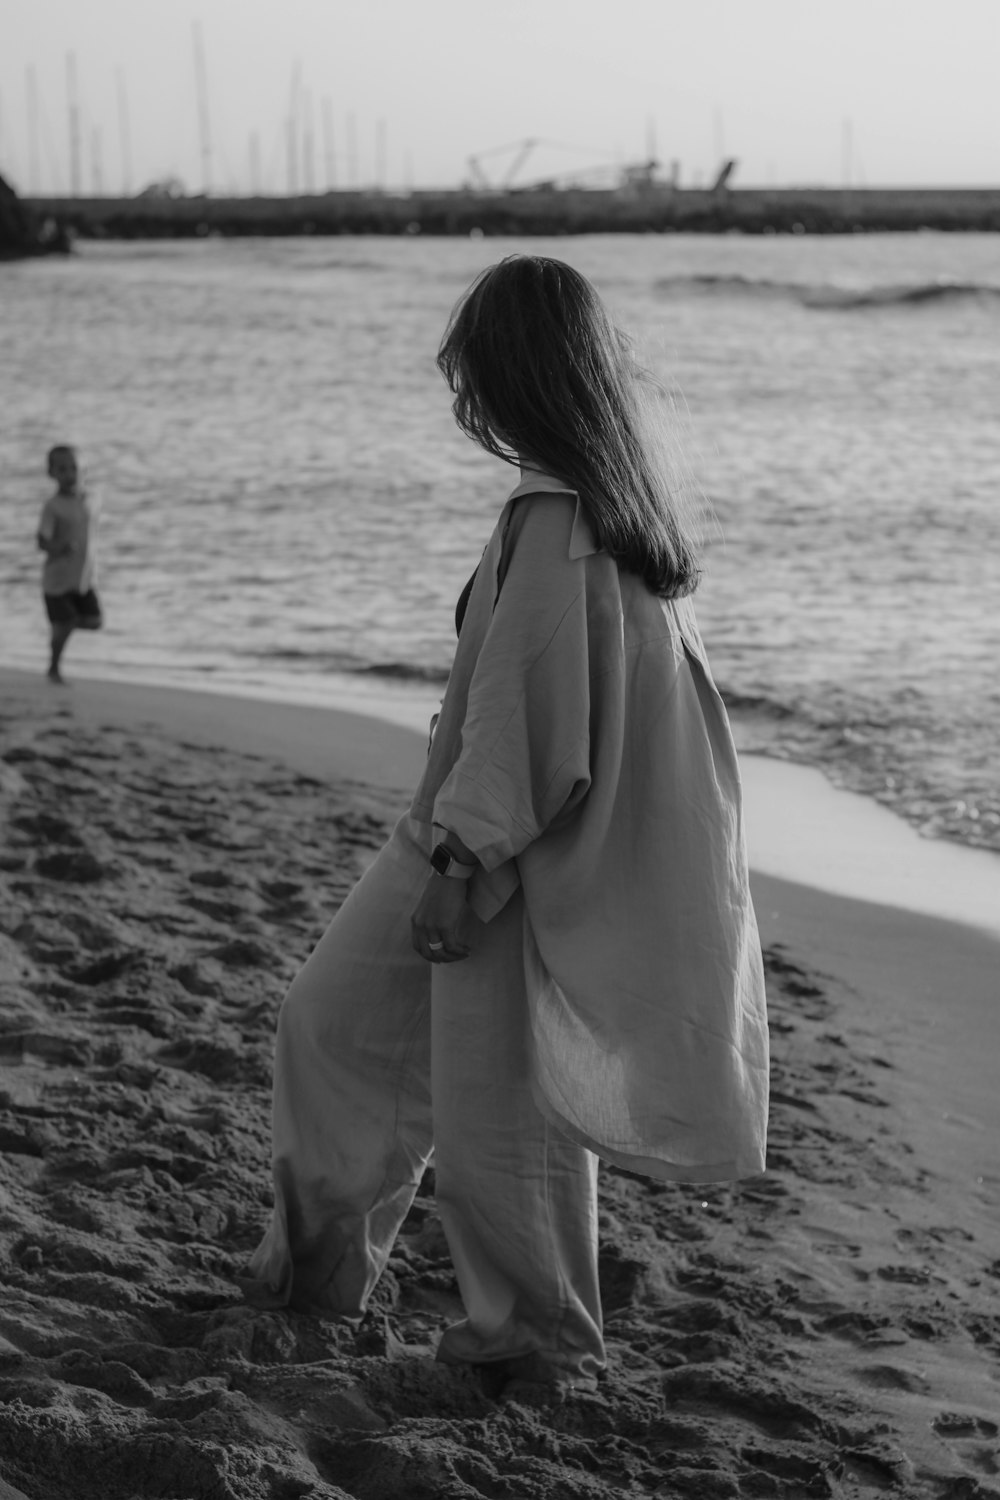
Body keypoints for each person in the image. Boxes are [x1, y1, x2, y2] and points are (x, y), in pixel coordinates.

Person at [247, 256, 769, 1395]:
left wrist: (461, 861)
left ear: (516, 375)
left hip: (496, 851)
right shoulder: (580, 506)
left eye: (472, 372)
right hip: (458, 828)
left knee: (502, 1124)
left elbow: (533, 719)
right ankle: (315, 1274)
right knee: (332, 1026)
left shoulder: (565, 516)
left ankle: (529, 1346)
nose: (461, 398)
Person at [36, 444, 103, 682]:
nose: (69, 474)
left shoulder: (92, 499)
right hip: (57, 581)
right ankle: (53, 668)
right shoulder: (52, 506)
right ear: (52, 473)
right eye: (62, 469)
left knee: (95, 622)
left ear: (84, 469)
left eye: (74, 468)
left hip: (84, 578)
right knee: (67, 620)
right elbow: (42, 541)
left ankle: (59, 629)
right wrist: (60, 547)